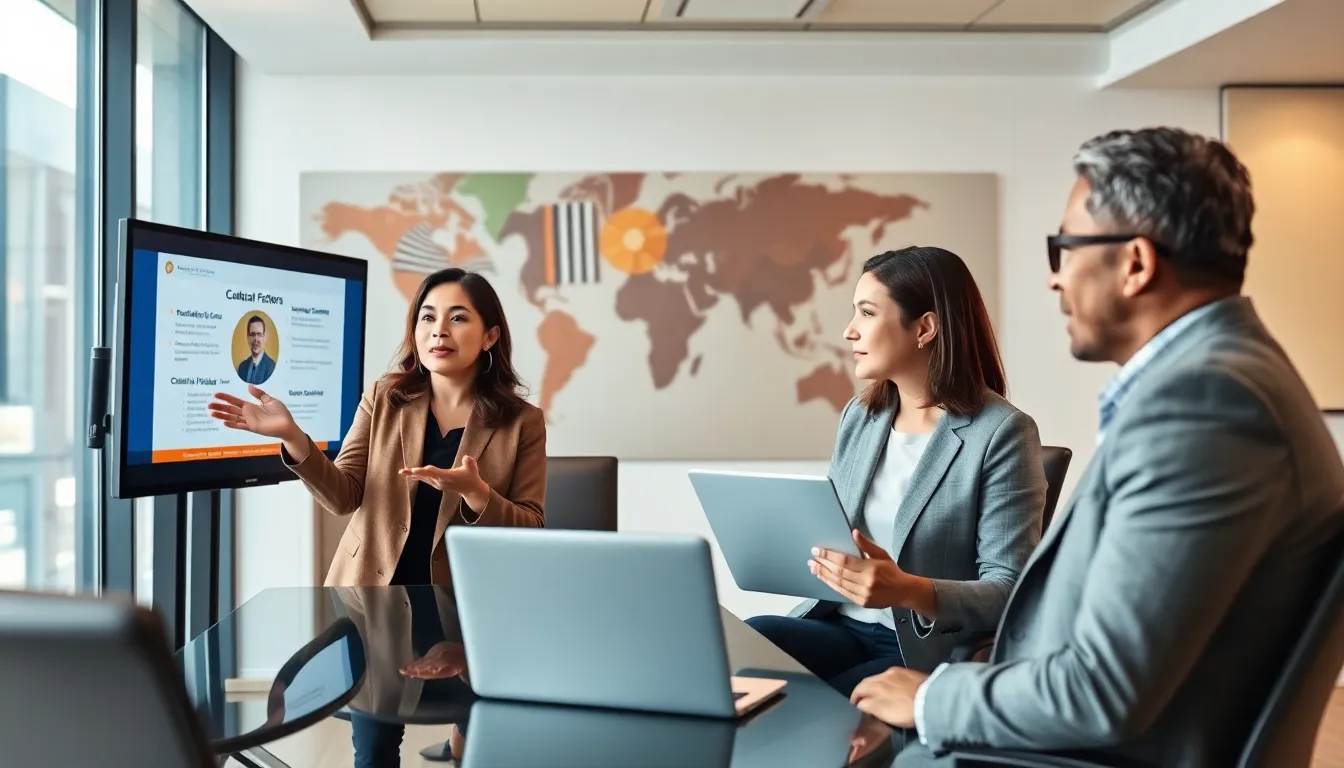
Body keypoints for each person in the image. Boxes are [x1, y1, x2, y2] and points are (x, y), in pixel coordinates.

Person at [852, 128, 1344, 767]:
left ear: (1135, 263)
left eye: (1064, 248)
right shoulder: (1216, 381)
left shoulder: (1204, 406)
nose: (1055, 280)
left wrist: (931, 699)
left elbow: (1104, 690)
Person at [744, 246, 1048, 696]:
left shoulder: (1002, 432)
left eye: (867, 313)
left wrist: (909, 590)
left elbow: (1010, 590)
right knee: (749, 646)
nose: (849, 332)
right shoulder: (860, 417)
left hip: (917, 649)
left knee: (820, 703)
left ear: (924, 327)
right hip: (840, 625)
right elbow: (837, 534)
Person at [208, 266, 546, 588]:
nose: (439, 329)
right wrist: (292, 436)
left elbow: (531, 529)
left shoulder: (522, 422)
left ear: (490, 336)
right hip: (366, 595)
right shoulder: (384, 397)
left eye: (457, 318)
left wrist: (476, 492)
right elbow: (343, 496)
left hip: (461, 606)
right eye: (427, 317)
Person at [236, 315, 277, 385]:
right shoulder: (242, 367)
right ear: (247, 337)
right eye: (252, 334)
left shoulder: (272, 367)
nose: (256, 339)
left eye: (259, 334)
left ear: (264, 337)